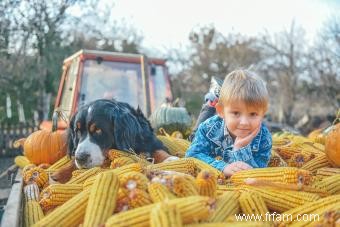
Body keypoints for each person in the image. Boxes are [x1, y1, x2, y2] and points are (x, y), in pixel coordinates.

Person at [185, 69, 272, 177]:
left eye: (253, 114)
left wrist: (240, 148)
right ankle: (211, 100)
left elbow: (256, 174)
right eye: (236, 113)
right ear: (221, 111)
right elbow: (192, 155)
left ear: (263, 114)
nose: (244, 123)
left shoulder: (264, 138)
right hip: (213, 126)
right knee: (194, 135)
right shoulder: (207, 128)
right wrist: (223, 167)